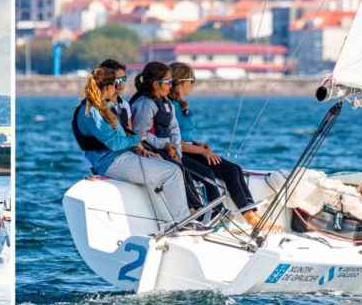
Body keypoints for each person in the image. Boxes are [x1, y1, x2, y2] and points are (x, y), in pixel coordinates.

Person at [72, 66, 190, 227]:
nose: (117, 89)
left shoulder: (101, 108)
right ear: (107, 87)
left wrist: (141, 149)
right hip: (111, 163)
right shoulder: (91, 112)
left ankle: (168, 223)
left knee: (164, 168)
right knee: (173, 172)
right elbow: (114, 144)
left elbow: (120, 137)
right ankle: (183, 222)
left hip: (121, 158)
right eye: (115, 85)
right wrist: (139, 137)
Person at [167, 61, 260, 226]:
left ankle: (252, 212)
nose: (193, 85)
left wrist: (198, 144)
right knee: (227, 171)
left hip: (192, 149)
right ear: (181, 82)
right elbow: (173, 141)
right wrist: (201, 151)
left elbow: (182, 134)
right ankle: (239, 215)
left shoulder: (180, 105)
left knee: (235, 169)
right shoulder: (170, 107)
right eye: (192, 81)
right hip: (183, 153)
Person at [128, 61, 206, 210]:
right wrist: (165, 144)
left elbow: (174, 129)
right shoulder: (146, 104)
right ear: (156, 84)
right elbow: (139, 135)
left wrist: (177, 151)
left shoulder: (166, 103)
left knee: (183, 168)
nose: (171, 85)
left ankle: (196, 207)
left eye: (171, 82)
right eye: (168, 82)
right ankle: (192, 208)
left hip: (167, 148)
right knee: (176, 170)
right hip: (148, 149)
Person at [99, 58, 132, 132]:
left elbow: (130, 132)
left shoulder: (124, 105)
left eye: (123, 79)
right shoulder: (95, 106)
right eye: (117, 80)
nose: (120, 84)